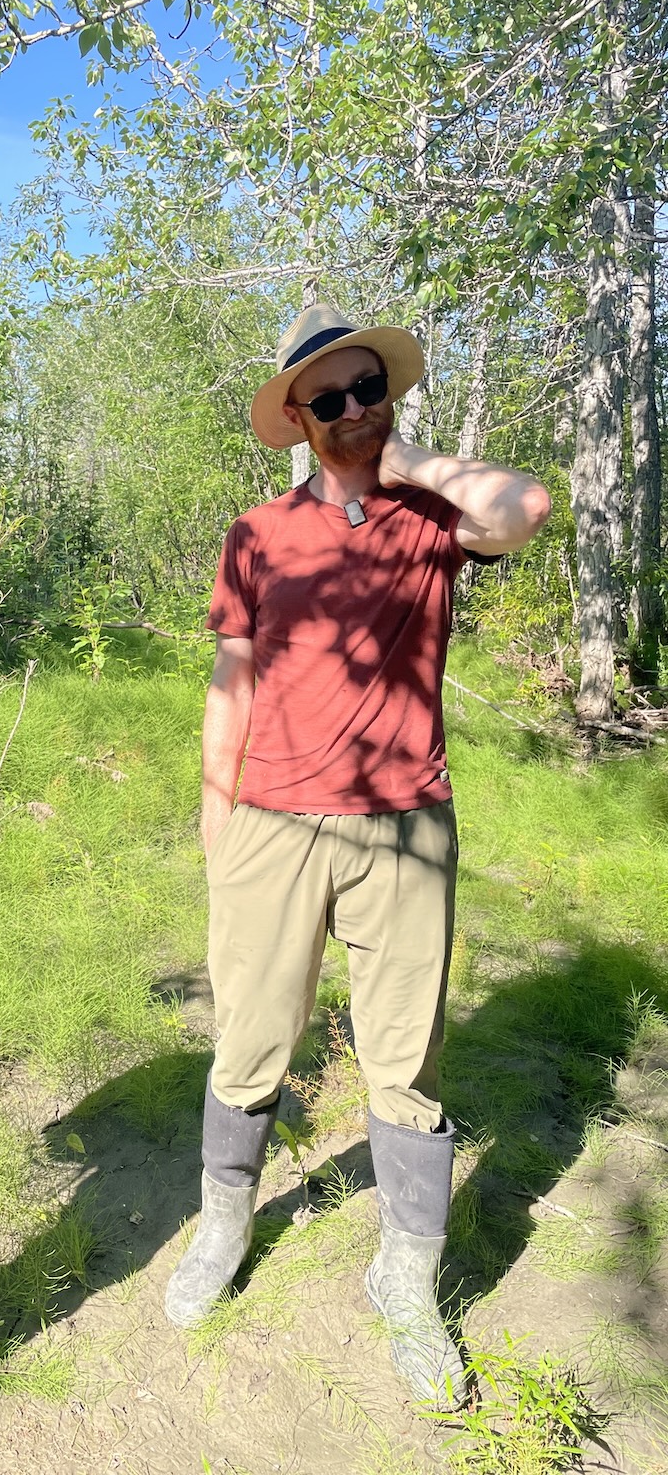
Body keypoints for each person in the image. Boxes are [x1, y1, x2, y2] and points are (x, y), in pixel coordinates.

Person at [163, 303, 551, 1408]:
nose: (352, 412)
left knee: (404, 1061)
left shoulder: (432, 518)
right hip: (273, 827)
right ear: (295, 415)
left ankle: (407, 1276)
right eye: (327, 398)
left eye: (367, 390)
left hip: (405, 828)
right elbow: (230, 686)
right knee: (251, 1039)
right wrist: (215, 821)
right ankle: (223, 1228)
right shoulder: (256, 535)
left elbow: (527, 508)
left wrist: (412, 459)